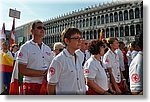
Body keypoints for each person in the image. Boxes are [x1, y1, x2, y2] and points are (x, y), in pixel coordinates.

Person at [16, 20, 53, 95]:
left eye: (44, 28)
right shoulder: (25, 47)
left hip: (46, 85)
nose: (42, 30)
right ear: (32, 31)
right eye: (39, 27)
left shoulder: (47, 48)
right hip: (31, 85)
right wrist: (42, 73)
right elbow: (22, 70)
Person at [47, 27, 86, 95]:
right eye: (76, 38)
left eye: (80, 38)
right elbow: (51, 85)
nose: (80, 41)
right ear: (67, 41)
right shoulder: (58, 60)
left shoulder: (80, 57)